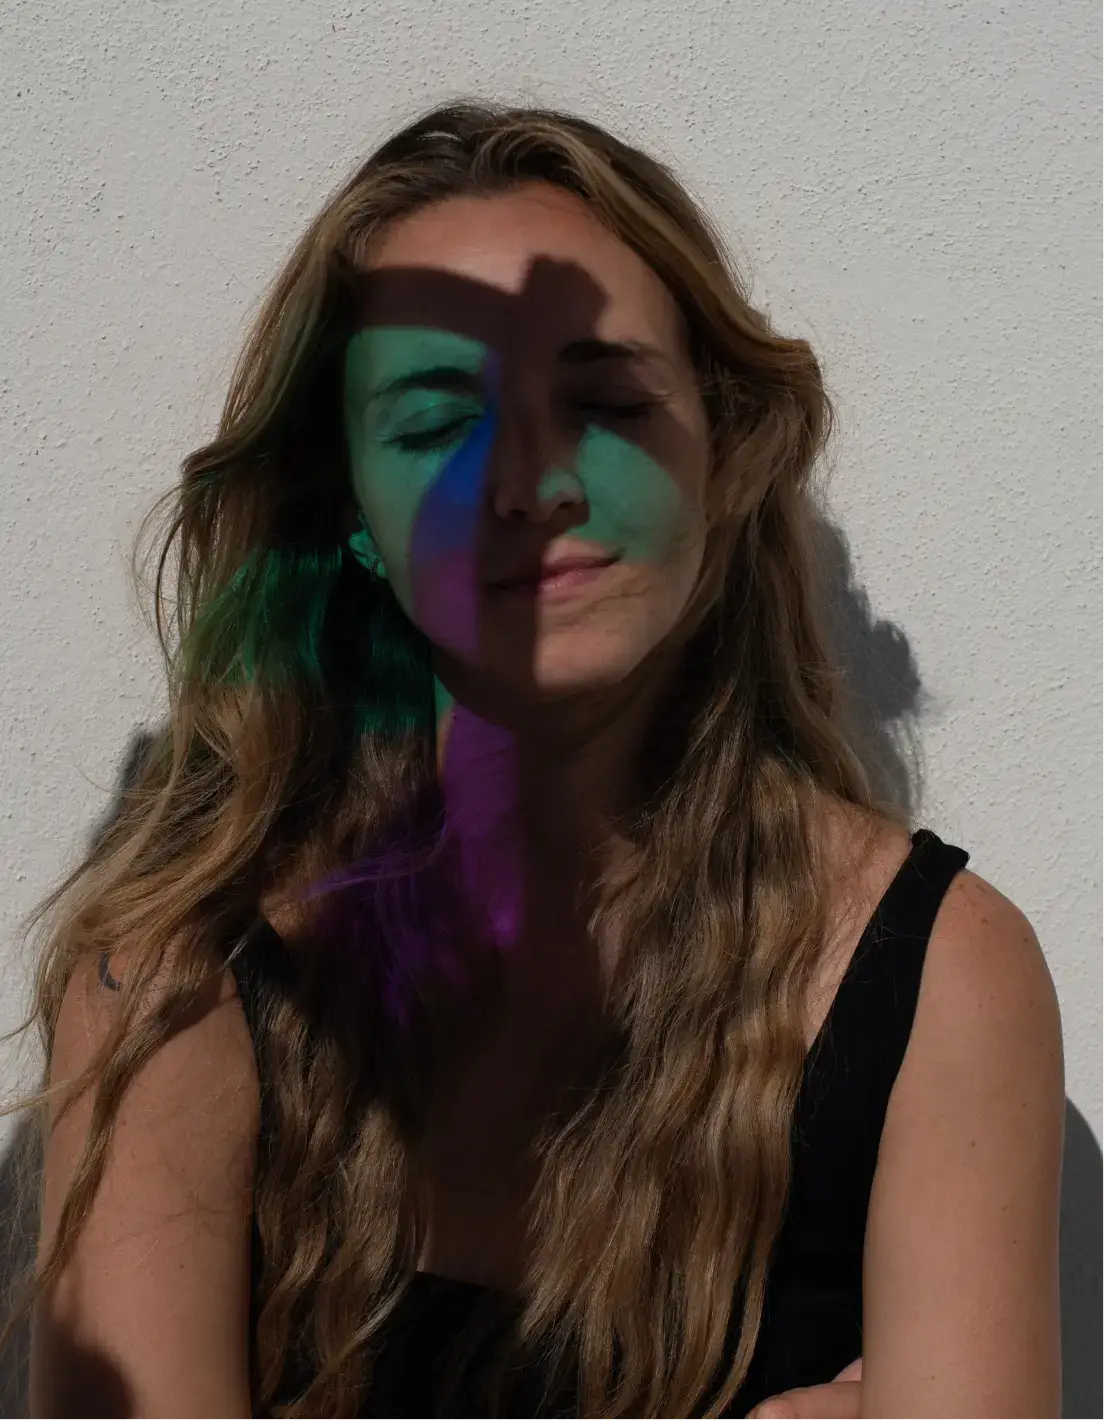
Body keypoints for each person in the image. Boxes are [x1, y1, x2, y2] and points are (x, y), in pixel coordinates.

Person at [12, 100, 1063, 1420]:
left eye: (605, 401)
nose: (533, 482)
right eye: (435, 425)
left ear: (722, 446)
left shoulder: (935, 974)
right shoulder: (177, 984)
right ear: (346, 507)